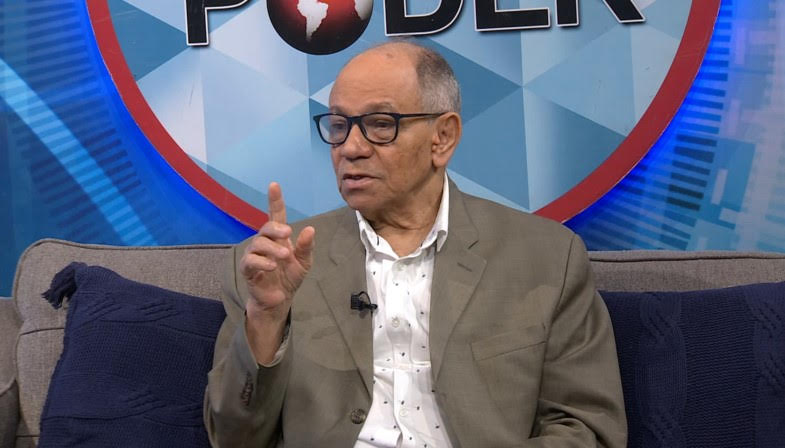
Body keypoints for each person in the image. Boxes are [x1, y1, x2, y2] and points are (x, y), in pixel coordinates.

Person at [204, 41, 626, 447]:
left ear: (442, 137)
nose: (351, 148)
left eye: (380, 124)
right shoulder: (272, 267)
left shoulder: (547, 257)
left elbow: (587, 430)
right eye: (339, 126)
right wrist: (266, 318)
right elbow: (232, 438)